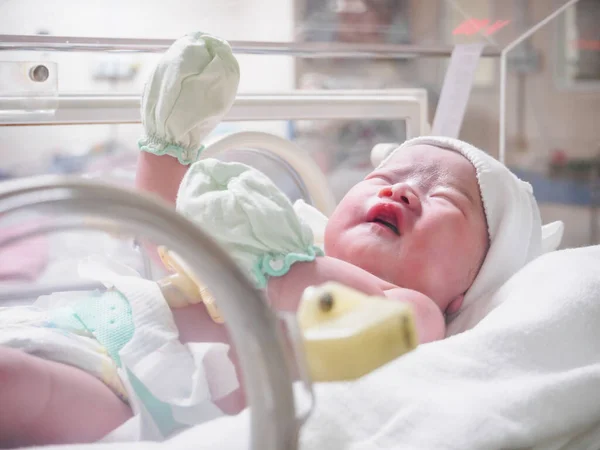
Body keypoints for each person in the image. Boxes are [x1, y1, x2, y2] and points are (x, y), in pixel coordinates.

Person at [0, 33, 547, 447]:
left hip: (136, 398)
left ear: (468, 288)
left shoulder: (415, 315)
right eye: (385, 179)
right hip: (86, 331)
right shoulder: (295, 228)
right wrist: (166, 147)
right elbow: (161, 238)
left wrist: (275, 259)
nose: (404, 192)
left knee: (15, 385)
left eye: (443, 199)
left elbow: (314, 304)